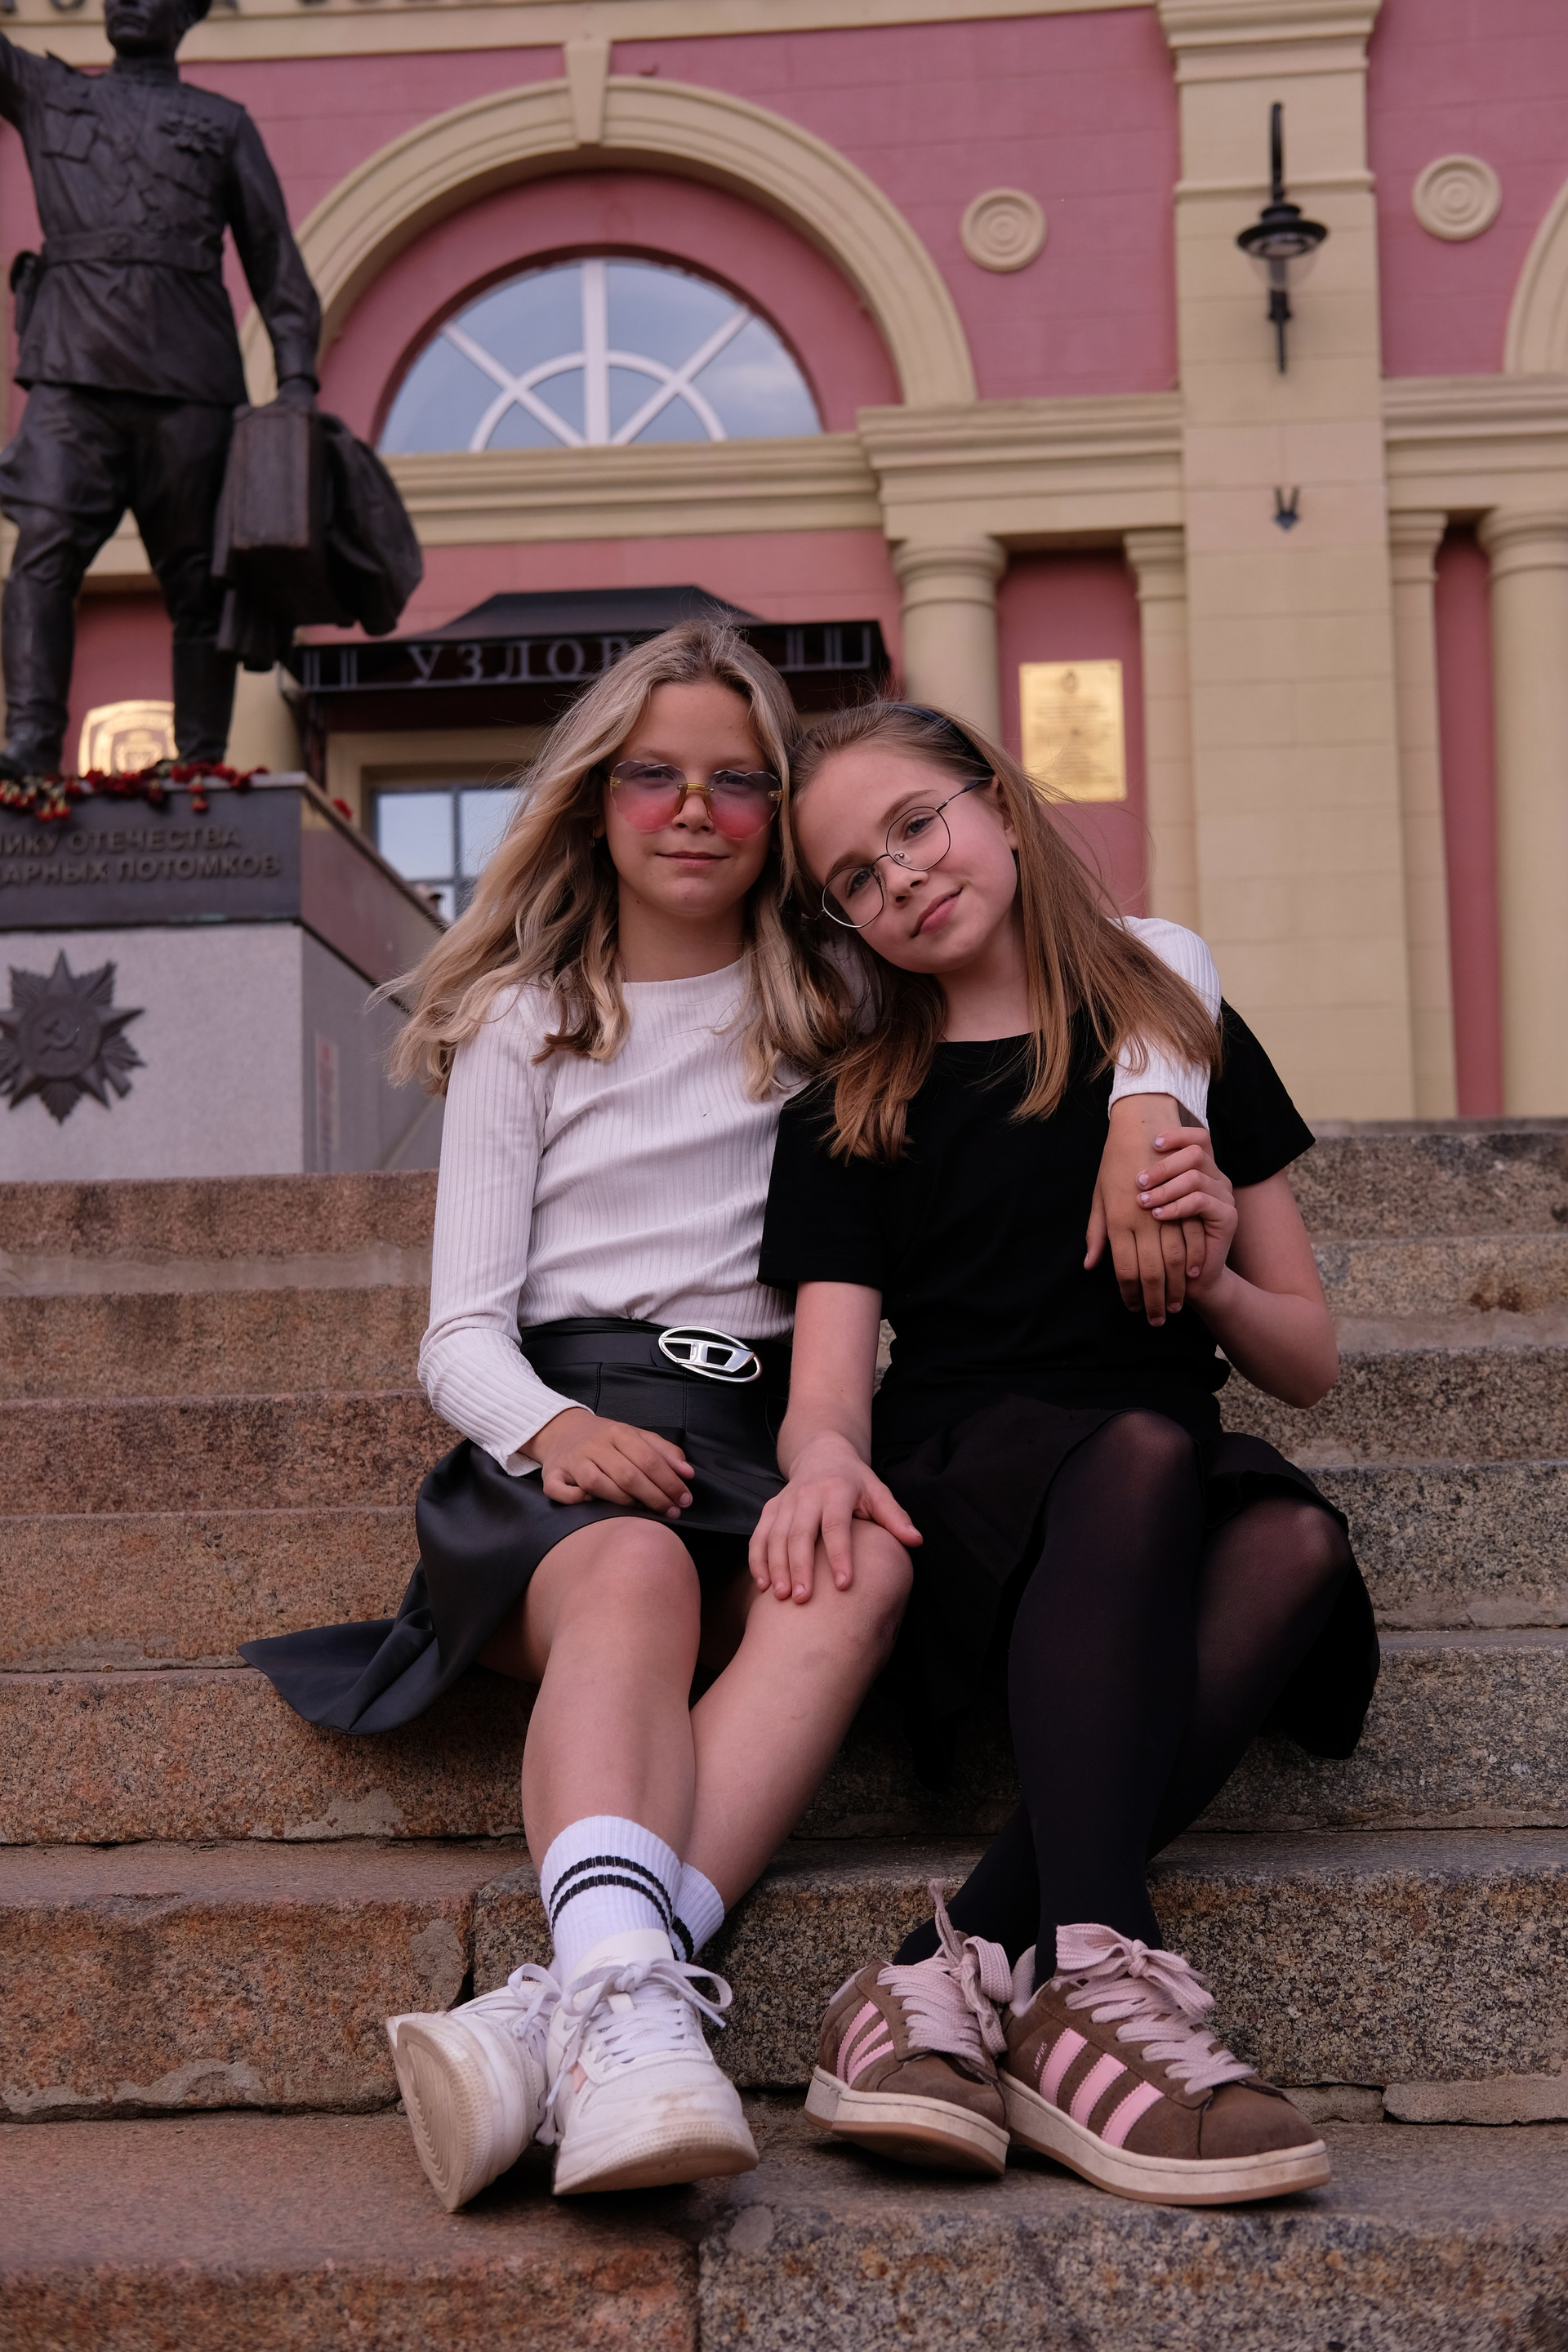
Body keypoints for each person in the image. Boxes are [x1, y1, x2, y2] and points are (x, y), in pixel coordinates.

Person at [244, 630, 1213, 2212]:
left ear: (778, 821)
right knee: (631, 1567)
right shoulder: (529, 1020)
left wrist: (1150, 1096)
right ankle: (629, 2000)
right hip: (570, 1438)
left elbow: (1151, 946)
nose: (693, 810)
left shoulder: (835, 995)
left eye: (736, 782)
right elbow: (458, 1334)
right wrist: (551, 1429)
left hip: (760, 1439)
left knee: (867, 1565)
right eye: (654, 776)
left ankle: (573, 2004)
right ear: (594, 800)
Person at [754, 700, 1379, 2207]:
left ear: (997, 802)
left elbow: (1305, 1357)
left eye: (916, 824)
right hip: (972, 1487)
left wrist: (1215, 1275)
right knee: (1144, 1454)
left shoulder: (1173, 1042)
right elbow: (829, 1389)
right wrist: (823, 1464)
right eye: (854, 879)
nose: (902, 877)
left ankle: (951, 1959)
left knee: (1291, 1534)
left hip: (1151, 1469)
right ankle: (1098, 1969)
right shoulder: (851, 1107)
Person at [0, 0, 320, 777]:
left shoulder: (221, 124)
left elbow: (275, 259)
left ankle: (201, 764)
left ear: (186, 14)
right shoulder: (47, 92)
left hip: (190, 386)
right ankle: (30, 745)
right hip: (71, 377)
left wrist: (297, 380)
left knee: (200, 584)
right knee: (42, 555)